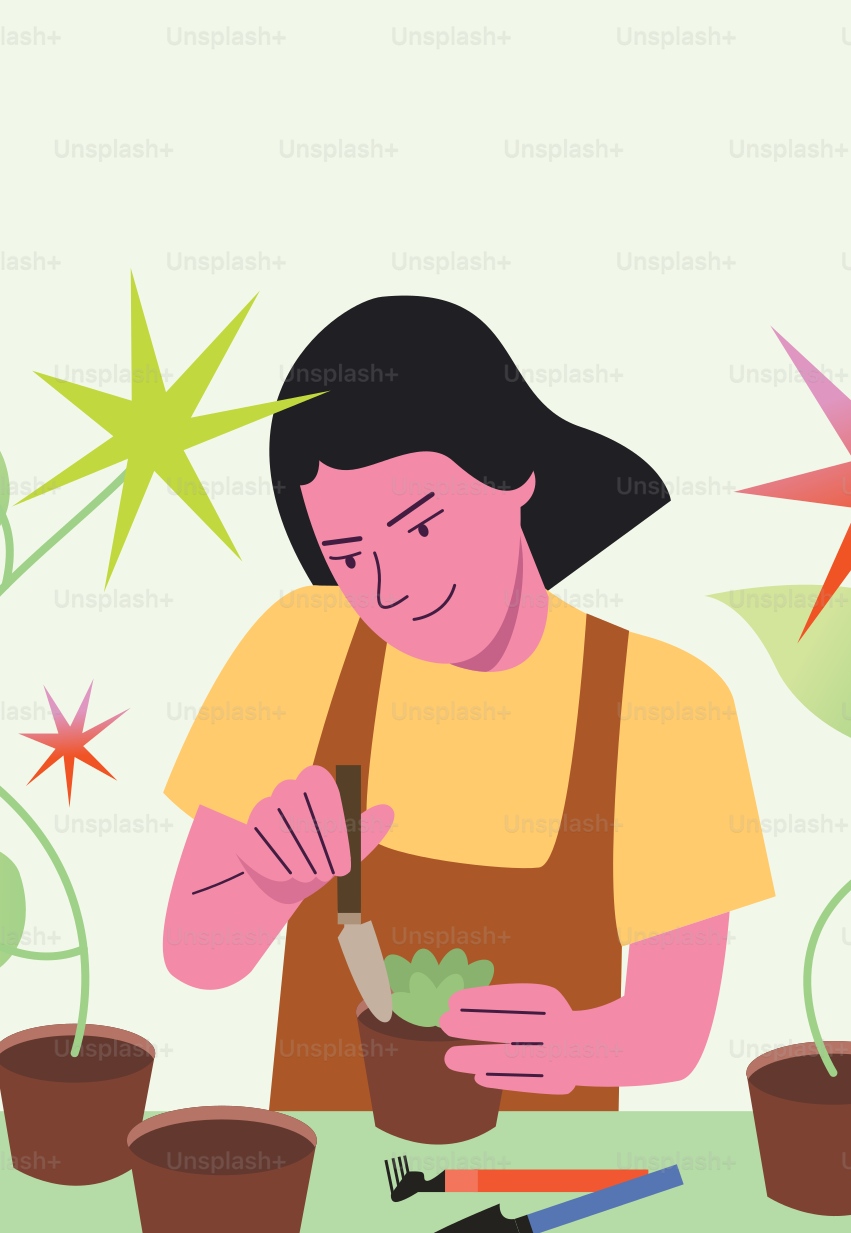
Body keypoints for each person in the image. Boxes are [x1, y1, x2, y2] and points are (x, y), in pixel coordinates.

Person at [163, 296, 773, 1113]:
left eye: (418, 528)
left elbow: (672, 1032)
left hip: (545, 1189)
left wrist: (581, 1045)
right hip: (324, 1177)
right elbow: (195, 956)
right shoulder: (302, 648)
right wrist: (266, 885)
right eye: (346, 556)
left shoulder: (666, 703)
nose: (387, 589)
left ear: (513, 475)